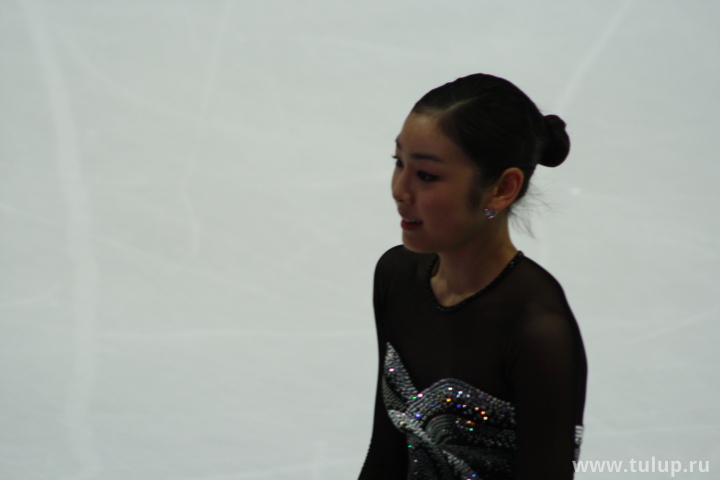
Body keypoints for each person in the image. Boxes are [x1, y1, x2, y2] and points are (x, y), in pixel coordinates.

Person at [358, 73, 587, 479]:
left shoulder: (537, 330)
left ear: (502, 189)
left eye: (426, 176)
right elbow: (387, 452)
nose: (400, 189)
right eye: (399, 162)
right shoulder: (396, 277)